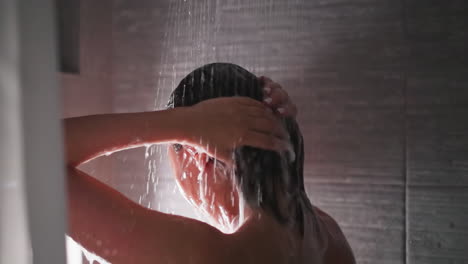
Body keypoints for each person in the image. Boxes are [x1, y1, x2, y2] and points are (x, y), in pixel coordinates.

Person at [65, 63, 356, 264]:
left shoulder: (206, 255)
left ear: (197, 155)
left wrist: (184, 123)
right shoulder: (329, 236)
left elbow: (37, 160)